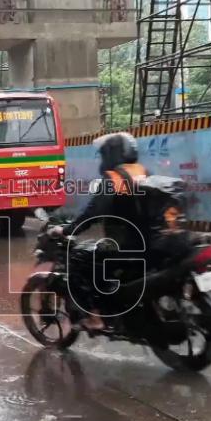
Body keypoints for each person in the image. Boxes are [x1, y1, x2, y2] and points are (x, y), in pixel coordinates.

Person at [49, 133, 149, 333]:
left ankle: (95, 317)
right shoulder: (144, 172)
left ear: (112, 154)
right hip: (149, 241)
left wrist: (68, 230)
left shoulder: (114, 178)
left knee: (83, 261)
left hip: (127, 245)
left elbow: (93, 213)